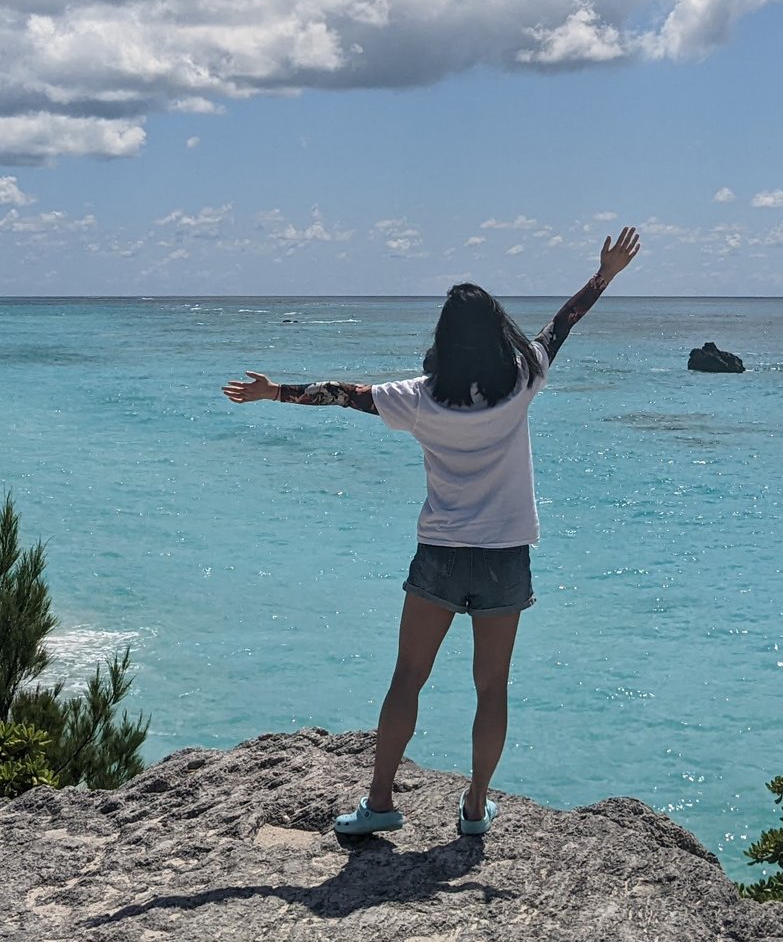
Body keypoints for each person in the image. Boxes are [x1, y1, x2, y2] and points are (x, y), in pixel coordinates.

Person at [224, 225, 640, 840]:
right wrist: (605, 274)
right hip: (505, 557)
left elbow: (342, 394)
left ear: (442, 341)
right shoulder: (524, 378)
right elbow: (562, 325)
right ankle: (474, 810)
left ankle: (381, 801)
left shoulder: (419, 398)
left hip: (440, 555)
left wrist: (273, 393)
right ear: (499, 333)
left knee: (406, 678)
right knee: (492, 687)